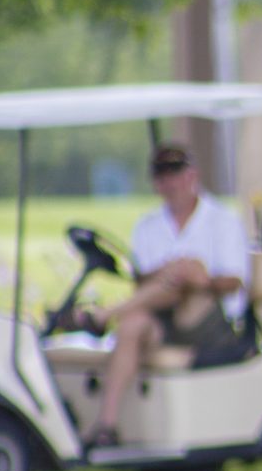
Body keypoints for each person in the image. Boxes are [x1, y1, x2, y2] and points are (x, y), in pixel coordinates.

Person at [66, 143, 250, 449]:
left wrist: (194, 277)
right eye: (161, 175)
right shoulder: (148, 226)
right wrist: (167, 272)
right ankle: (107, 425)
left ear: (192, 175)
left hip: (209, 322)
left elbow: (233, 282)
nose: (169, 182)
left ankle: (102, 315)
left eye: (175, 173)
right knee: (131, 325)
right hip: (163, 320)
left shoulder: (222, 219)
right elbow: (143, 284)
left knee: (186, 272)